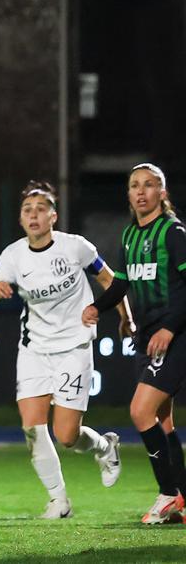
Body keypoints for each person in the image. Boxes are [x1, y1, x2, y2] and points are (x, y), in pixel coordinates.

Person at [0, 181, 130, 519]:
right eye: (27, 210)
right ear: (21, 219)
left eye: (40, 209)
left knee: (66, 436)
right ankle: (59, 501)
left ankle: (105, 446)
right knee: (32, 427)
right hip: (34, 349)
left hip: (74, 346)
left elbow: (110, 280)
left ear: (53, 216)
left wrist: (125, 317)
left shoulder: (76, 247)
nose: (33, 215)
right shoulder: (12, 256)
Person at [82, 163, 186, 524]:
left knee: (141, 411)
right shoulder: (129, 236)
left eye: (149, 185)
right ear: (128, 194)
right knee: (163, 420)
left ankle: (168, 495)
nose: (141, 191)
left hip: (174, 335)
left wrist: (169, 329)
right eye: (134, 185)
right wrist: (98, 307)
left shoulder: (173, 233)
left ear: (162, 192)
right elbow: (122, 284)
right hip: (147, 337)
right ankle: (181, 496)